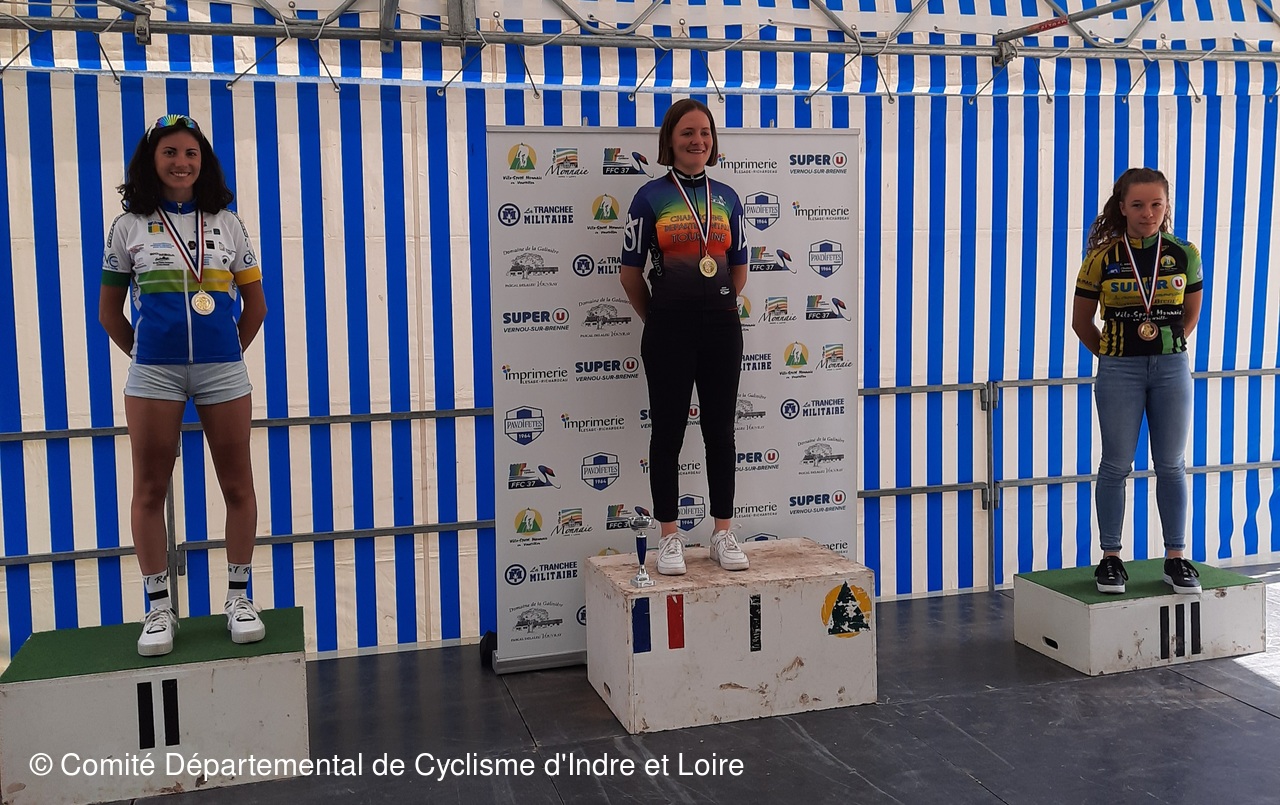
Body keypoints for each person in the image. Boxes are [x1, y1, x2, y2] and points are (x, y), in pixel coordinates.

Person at [99, 114, 269, 655]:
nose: (181, 162)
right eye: (169, 152)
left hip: (224, 371)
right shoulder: (128, 226)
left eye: (191, 153)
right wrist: (148, 357)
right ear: (152, 160)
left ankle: (239, 599)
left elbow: (256, 306)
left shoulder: (228, 223)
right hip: (154, 373)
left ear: (204, 161)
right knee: (149, 490)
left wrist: (225, 355)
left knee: (237, 487)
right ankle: (158, 609)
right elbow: (108, 313)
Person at [619, 98, 750, 575]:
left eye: (705, 133)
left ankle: (722, 533)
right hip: (668, 331)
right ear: (670, 141)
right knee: (668, 434)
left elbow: (739, 269)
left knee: (721, 433)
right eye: (688, 133)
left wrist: (711, 309)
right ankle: (669, 536)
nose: (698, 141)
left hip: (721, 329)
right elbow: (629, 274)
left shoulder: (728, 197)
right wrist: (660, 318)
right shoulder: (649, 198)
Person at [1072, 167, 1203, 595]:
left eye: (1156, 204)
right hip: (1118, 370)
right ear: (1122, 207)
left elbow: (1190, 315)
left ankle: (1176, 557)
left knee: (1172, 464)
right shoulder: (1101, 257)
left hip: (1171, 368)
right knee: (1115, 464)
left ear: (1166, 206)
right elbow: (1081, 322)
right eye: (1138, 205)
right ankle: (1111, 559)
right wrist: (1114, 357)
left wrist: (1165, 348)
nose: (1148, 213)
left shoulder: (1184, 253)